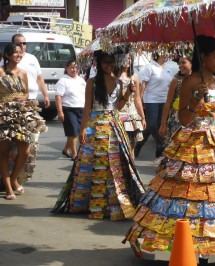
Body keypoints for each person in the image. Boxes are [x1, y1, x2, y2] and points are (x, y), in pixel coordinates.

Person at [123, 35, 215, 262]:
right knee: (190, 194)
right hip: (193, 143)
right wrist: (195, 100)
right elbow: (182, 118)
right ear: (203, 57)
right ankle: (191, 245)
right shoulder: (190, 81)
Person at [51, 52, 145, 220]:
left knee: (114, 164)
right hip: (95, 125)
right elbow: (87, 107)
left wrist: (129, 93)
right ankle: (88, 203)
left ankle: (113, 203)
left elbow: (118, 106)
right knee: (93, 163)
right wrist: (83, 130)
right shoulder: (92, 82)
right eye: (105, 63)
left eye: (111, 62)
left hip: (114, 125)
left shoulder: (118, 81)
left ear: (115, 63)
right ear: (99, 64)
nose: (108, 65)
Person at [0, 43, 46, 200]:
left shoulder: (23, 73)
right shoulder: (0, 71)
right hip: (3, 113)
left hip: (21, 113)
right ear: (7, 55)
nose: (18, 55)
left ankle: (13, 179)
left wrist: (23, 98)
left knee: (25, 151)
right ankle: (8, 187)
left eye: (20, 52)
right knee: (3, 152)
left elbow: (26, 93)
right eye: (14, 53)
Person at [134, 52, 173, 158]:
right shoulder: (150, 67)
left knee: (161, 125)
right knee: (151, 125)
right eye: (163, 54)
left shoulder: (168, 68)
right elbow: (143, 85)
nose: (166, 56)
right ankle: (142, 143)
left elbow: (170, 86)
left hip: (164, 100)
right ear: (157, 55)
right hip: (151, 100)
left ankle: (160, 148)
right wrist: (140, 101)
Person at [55, 59, 86, 160]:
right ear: (66, 68)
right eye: (71, 67)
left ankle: (66, 150)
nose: (74, 70)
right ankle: (75, 153)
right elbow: (58, 96)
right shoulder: (63, 81)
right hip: (68, 109)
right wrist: (60, 112)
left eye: (76, 67)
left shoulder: (81, 80)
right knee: (73, 132)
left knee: (76, 131)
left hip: (81, 109)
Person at [116, 54, 146, 155]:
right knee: (119, 145)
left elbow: (137, 98)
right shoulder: (114, 77)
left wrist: (142, 117)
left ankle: (130, 167)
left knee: (131, 145)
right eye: (125, 58)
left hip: (132, 114)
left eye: (130, 59)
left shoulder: (134, 77)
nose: (128, 61)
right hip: (118, 113)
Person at [158, 55, 192, 141]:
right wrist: (163, 125)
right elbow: (168, 103)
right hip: (176, 120)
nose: (180, 65)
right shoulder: (176, 80)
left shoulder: (198, 81)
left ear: (192, 63)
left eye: (183, 62)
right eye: (179, 63)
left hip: (192, 119)